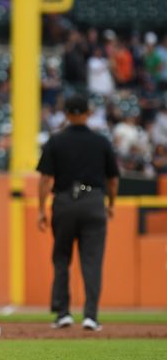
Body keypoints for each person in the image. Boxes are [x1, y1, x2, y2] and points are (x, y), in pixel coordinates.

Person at [37, 95, 120, 332]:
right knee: (92, 261)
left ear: (66, 113)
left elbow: (44, 179)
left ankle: (63, 314)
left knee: (62, 258)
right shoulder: (101, 141)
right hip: (94, 201)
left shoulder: (56, 140)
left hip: (64, 201)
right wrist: (111, 204)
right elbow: (113, 180)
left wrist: (42, 210)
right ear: (88, 112)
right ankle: (91, 316)